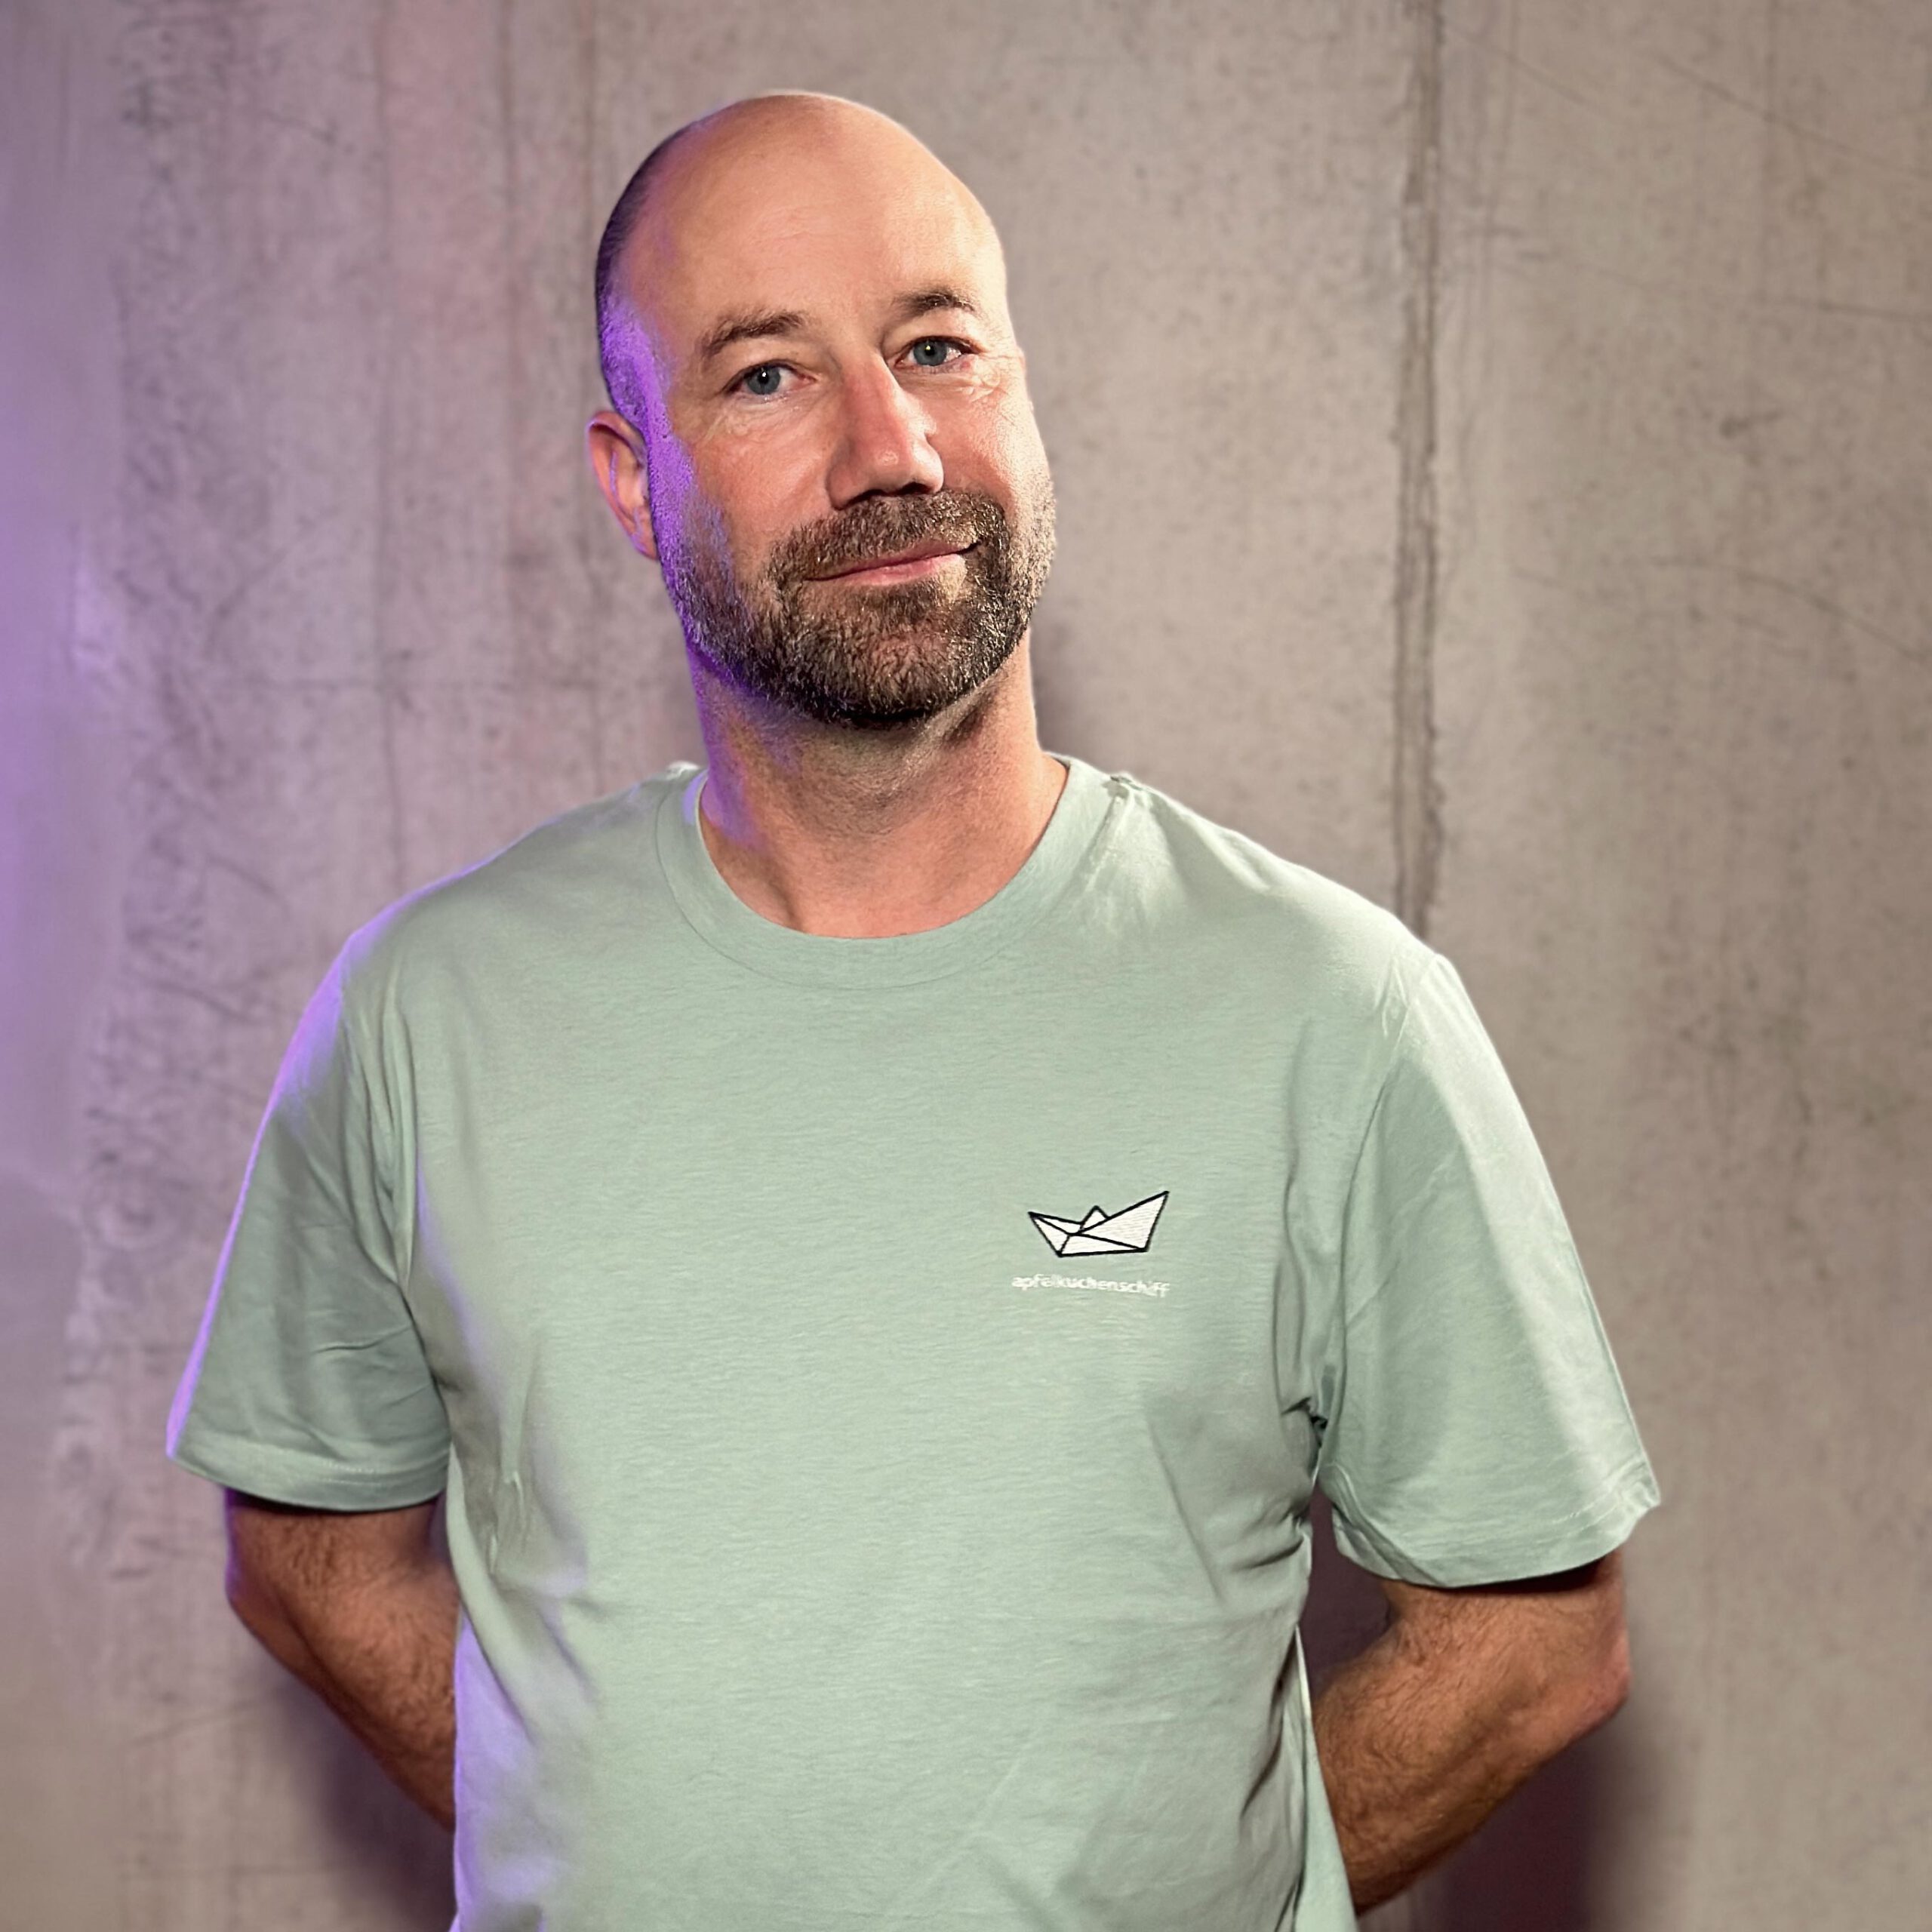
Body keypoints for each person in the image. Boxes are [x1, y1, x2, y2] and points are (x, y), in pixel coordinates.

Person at [166, 89, 1660, 1932]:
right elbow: (308, 1553)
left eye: (938, 346)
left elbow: (1530, 1641)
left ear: (1023, 392)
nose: (892, 448)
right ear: (633, 478)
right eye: (766, 376)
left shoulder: (1331, 1011)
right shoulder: (428, 1007)